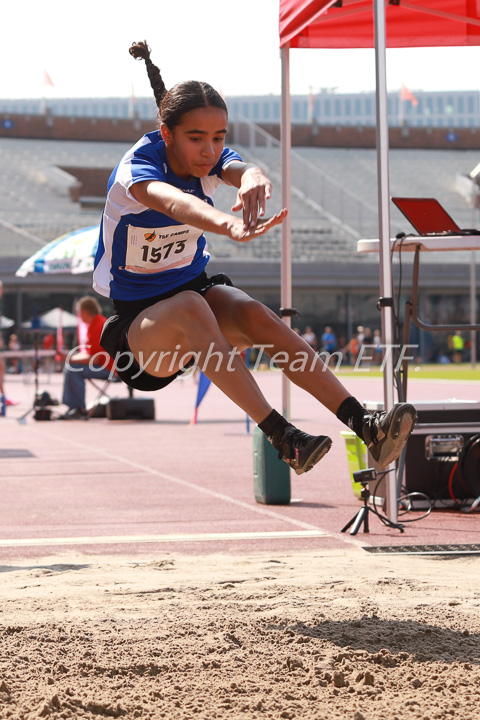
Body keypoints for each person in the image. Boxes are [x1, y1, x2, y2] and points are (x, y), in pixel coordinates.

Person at [93, 40, 417, 473]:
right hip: (140, 333)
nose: (209, 151)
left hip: (197, 298)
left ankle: (366, 424)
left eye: (218, 137)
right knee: (190, 305)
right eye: (196, 139)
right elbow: (172, 203)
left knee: (256, 315)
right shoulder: (137, 170)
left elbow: (239, 167)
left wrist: (253, 176)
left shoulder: (211, 159)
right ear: (166, 133)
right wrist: (227, 225)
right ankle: (285, 438)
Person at [58, 296, 114, 419]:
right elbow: (90, 355)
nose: (78, 316)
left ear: (84, 312)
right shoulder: (96, 323)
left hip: (110, 369)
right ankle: (75, 407)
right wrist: (71, 357)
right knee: (71, 367)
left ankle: (78, 408)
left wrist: (71, 359)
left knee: (72, 369)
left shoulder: (98, 326)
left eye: (78, 312)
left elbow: (95, 359)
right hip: (105, 365)